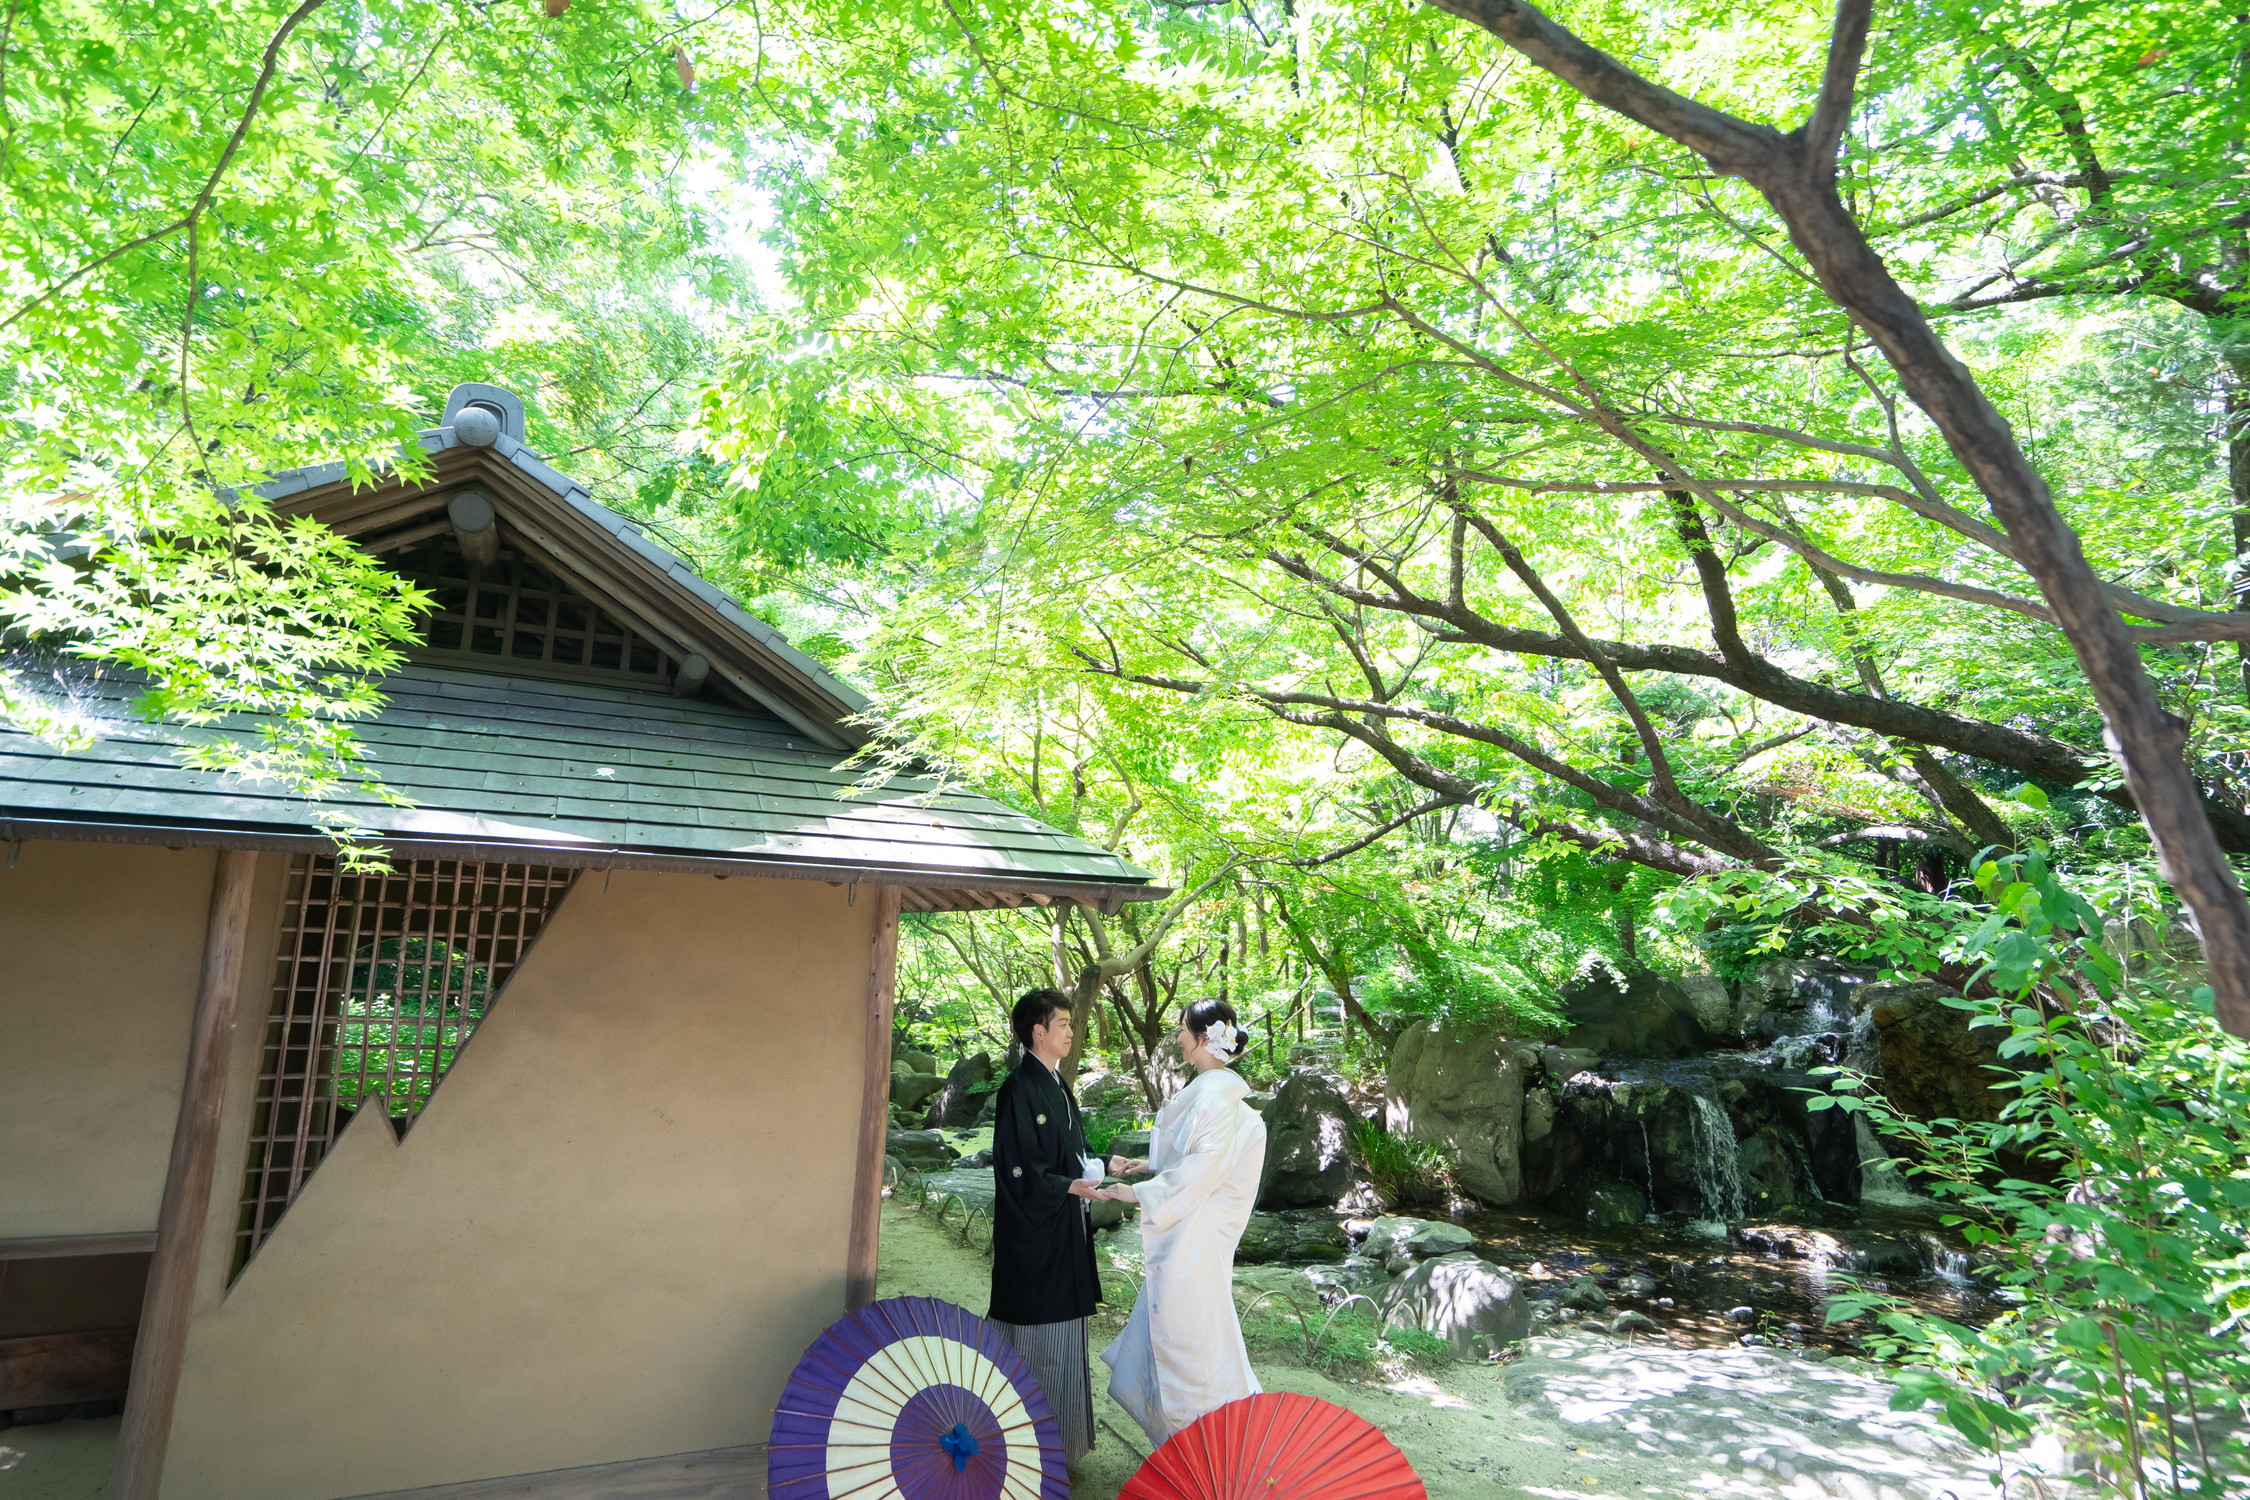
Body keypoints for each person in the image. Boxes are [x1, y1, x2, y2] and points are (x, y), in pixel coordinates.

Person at [1094, 998, 1267, 1447]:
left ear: (1203, 1039)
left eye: (1183, 1029)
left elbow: (1204, 1168)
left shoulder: (1214, 1093)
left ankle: (1203, 1444)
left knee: (1189, 1343)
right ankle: (1199, 1445)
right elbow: (1194, 1158)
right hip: (1196, 1232)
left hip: (1194, 1238)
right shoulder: (1219, 1091)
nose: (1178, 1037)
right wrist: (1148, 1165)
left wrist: (1139, 1192)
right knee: (1192, 1333)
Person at [986, 987, 1111, 1468]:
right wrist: (1067, 1186)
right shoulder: (1018, 1088)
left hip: (1063, 1229)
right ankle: (1033, 1450)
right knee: (1038, 1341)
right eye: (1062, 1023)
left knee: (1064, 1339)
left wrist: (1101, 1164)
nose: (1070, 1031)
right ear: (1038, 1032)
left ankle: (1061, 1447)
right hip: (1036, 1237)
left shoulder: (1058, 1084)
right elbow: (1018, 1167)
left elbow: (1068, 1157)